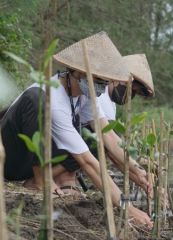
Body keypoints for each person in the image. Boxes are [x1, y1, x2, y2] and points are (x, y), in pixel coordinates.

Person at [1, 32, 153, 227]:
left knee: (93, 139)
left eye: (104, 83)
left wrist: (138, 171)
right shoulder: (52, 98)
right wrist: (128, 208)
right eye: (99, 81)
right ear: (78, 73)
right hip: (12, 159)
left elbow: (110, 139)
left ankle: (38, 178)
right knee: (35, 99)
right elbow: (88, 163)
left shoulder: (86, 94)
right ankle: (40, 180)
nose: (100, 88)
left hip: (35, 159)